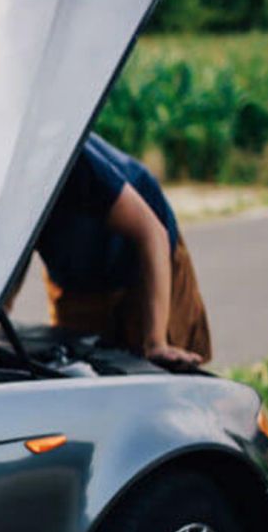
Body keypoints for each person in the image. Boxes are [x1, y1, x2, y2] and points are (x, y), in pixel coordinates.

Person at [31, 133, 211, 368]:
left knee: (158, 369)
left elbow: (152, 233)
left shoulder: (69, 160)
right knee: (76, 368)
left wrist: (156, 342)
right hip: (76, 275)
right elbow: (9, 255)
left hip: (147, 256)